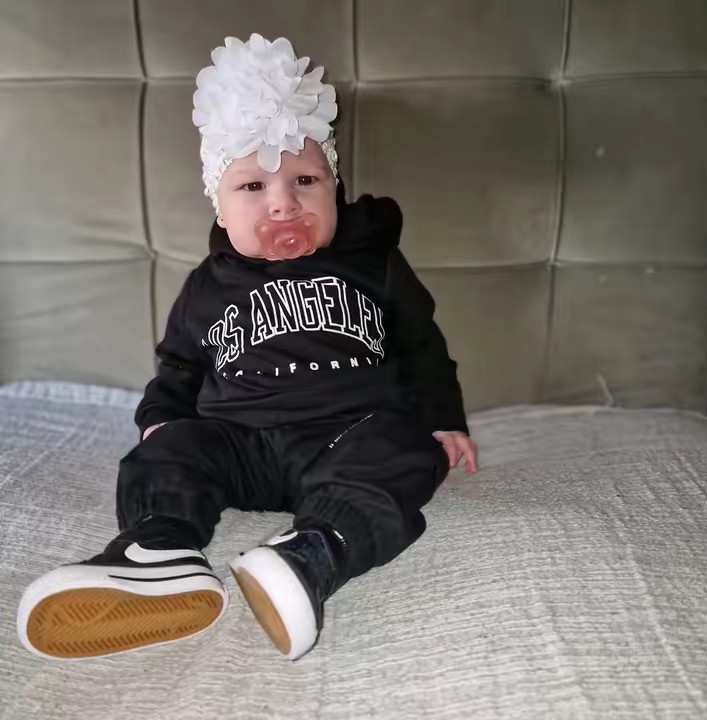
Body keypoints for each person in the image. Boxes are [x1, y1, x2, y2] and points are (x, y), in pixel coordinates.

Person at [17, 33, 477, 662]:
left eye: (305, 180)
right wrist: (161, 421)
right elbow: (179, 365)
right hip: (240, 443)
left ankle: (313, 554)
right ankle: (160, 549)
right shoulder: (209, 286)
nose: (284, 203)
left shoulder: (376, 264)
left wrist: (444, 418)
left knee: (406, 447)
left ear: (334, 188)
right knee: (170, 449)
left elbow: (423, 345)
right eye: (253, 187)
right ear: (220, 205)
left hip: (347, 435)